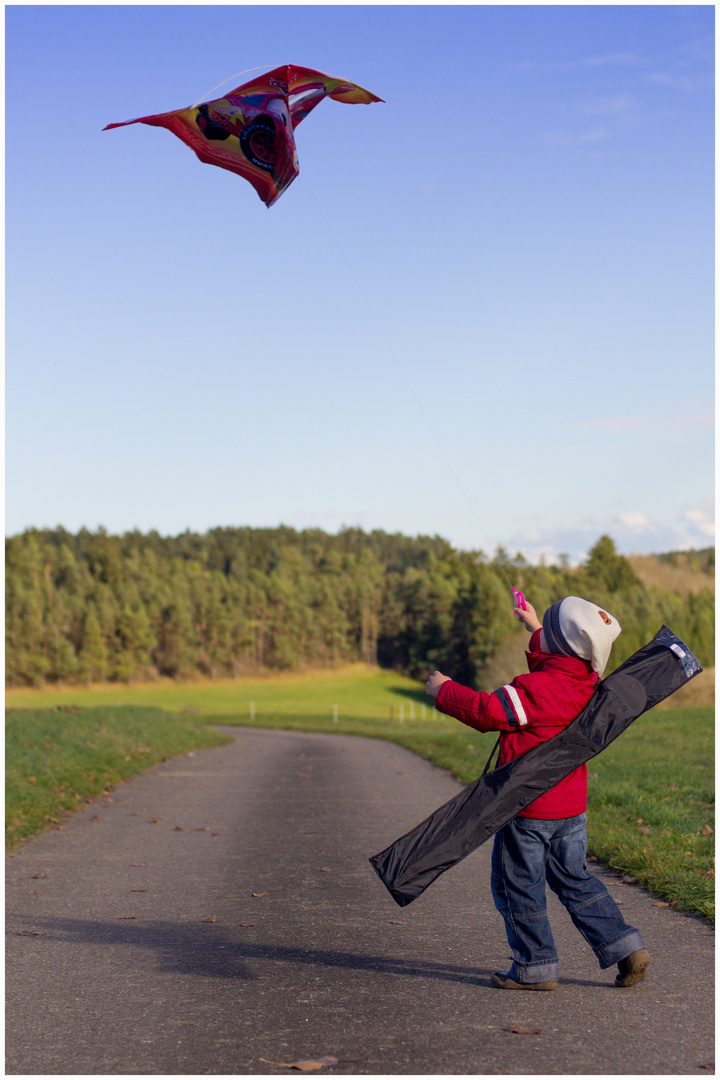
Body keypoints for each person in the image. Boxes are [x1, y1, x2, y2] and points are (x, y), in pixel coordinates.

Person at [425, 594, 651, 991]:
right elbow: (564, 657)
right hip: (571, 810)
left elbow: (487, 711)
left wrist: (443, 690)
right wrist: (535, 627)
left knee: (518, 886)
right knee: (576, 879)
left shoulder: (531, 689)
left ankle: (535, 967)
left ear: (557, 646)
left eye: (546, 630)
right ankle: (625, 946)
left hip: (527, 810)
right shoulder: (590, 684)